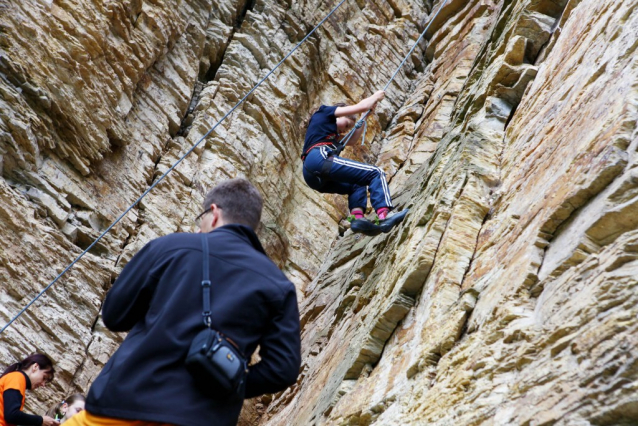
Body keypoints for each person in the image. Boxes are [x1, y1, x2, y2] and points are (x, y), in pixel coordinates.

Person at [66, 178, 301, 426]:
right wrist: (228, 385)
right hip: (203, 417)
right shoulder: (278, 285)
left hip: (122, 405)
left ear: (213, 213)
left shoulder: (170, 246)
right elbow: (282, 369)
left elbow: (115, 315)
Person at [301, 90, 408, 235]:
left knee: (356, 184)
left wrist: (364, 118)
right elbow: (361, 106)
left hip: (313, 177)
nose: (345, 129)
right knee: (376, 173)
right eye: (346, 124)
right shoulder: (324, 112)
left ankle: (357, 219)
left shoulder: (328, 134)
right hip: (318, 158)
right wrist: (375, 96)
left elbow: (352, 140)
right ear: (339, 114)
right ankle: (385, 215)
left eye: (348, 128)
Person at [0, 353, 58, 426]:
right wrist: (41, 420)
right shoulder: (17, 378)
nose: (43, 384)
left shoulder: (16, 378)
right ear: (35, 367)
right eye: (44, 378)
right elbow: (11, 415)